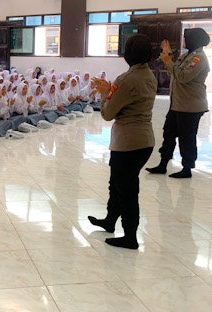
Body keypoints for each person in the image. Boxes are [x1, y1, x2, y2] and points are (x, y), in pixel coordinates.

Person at [87, 34, 157, 250]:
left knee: (126, 189)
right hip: (144, 140)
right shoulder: (149, 75)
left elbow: (108, 113)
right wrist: (110, 91)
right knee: (118, 184)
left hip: (128, 143)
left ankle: (130, 236)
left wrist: (104, 94)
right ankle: (110, 221)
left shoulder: (126, 79)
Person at [147, 28, 211, 179]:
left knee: (187, 138)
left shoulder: (199, 58)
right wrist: (168, 56)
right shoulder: (187, 56)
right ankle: (163, 164)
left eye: (185, 38)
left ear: (194, 39)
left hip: (190, 106)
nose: (183, 40)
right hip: (177, 104)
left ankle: (187, 168)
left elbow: (182, 76)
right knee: (168, 134)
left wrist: (169, 61)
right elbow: (175, 71)